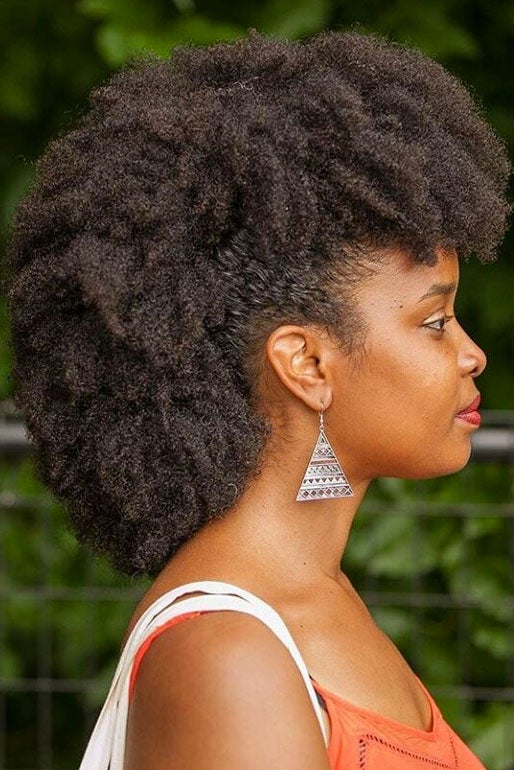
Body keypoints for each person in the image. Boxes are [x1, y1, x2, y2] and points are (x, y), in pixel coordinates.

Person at [4, 29, 511, 770]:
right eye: (435, 322)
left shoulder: (318, 597)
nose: (473, 354)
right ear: (306, 364)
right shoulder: (229, 657)